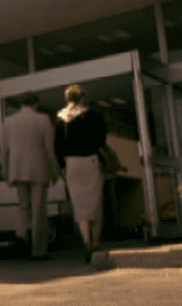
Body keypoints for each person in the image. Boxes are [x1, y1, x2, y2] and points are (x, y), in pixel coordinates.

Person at [0, 92, 61, 260]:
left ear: (21, 104)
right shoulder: (43, 120)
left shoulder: (9, 121)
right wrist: (55, 171)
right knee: (38, 209)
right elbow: (49, 149)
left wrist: (6, 172)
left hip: (17, 170)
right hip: (38, 171)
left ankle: (21, 233)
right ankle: (39, 251)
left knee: (24, 205)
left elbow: (4, 151)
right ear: (36, 104)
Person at [55, 84, 109, 262]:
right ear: (83, 97)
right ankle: (96, 242)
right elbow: (101, 139)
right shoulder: (93, 115)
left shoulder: (61, 117)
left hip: (71, 164)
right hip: (90, 161)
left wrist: (62, 167)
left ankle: (86, 241)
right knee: (95, 202)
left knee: (79, 204)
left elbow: (57, 146)